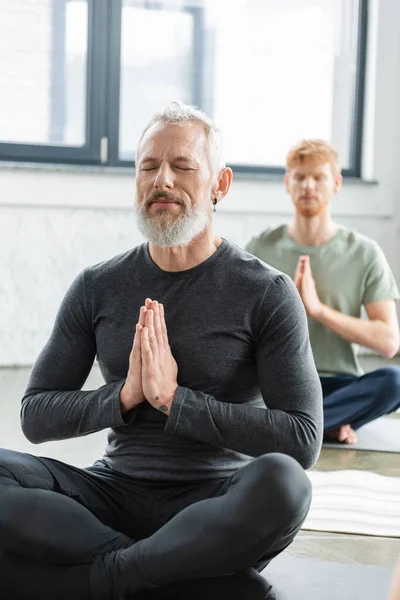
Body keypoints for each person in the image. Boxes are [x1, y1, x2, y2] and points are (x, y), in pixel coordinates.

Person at [0, 103, 322, 600]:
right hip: (112, 493)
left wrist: (176, 401)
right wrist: (124, 396)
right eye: (148, 167)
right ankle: (163, 568)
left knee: (286, 485)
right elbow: (35, 414)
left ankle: (104, 578)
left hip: (214, 504)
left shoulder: (265, 292)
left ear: (221, 184)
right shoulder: (98, 285)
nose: (162, 180)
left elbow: (302, 439)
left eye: (183, 167)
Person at [245, 139, 400, 445]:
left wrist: (317, 310)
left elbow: (388, 342)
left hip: (340, 385)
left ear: (336, 184)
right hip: (279, 383)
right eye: (300, 177)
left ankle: (294, 428)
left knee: (394, 381)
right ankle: (326, 425)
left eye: (319, 177)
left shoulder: (365, 253)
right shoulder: (260, 248)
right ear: (288, 183)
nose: (308, 185)